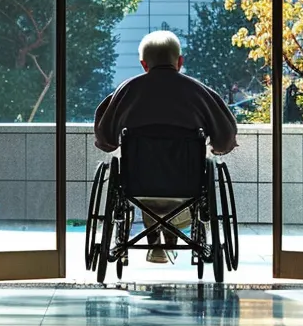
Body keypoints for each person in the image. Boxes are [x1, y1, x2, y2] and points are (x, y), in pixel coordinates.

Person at [93, 30, 239, 263]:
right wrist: (218, 147)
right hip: (187, 181)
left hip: (137, 182)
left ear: (143, 64)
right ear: (180, 61)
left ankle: (157, 243)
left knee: (146, 176)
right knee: (188, 177)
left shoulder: (126, 91)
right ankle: (168, 239)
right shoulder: (200, 92)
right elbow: (226, 138)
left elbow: (105, 139)